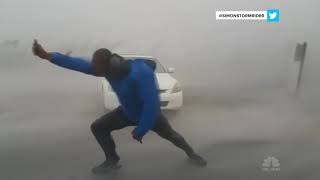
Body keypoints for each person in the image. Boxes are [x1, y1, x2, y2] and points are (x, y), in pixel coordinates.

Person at [32, 40, 207, 174]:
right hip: (126, 112)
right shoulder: (105, 69)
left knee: (172, 136)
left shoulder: (140, 74)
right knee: (98, 126)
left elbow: (151, 105)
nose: (93, 71)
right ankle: (112, 160)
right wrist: (47, 55)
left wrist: (141, 130)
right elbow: (76, 63)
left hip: (150, 116)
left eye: (96, 67)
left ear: (108, 64)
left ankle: (191, 153)